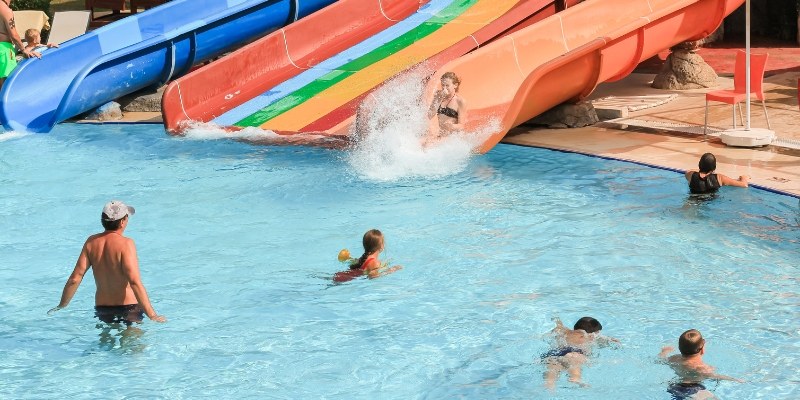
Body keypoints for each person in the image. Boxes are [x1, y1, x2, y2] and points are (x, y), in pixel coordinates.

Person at [49, 200, 166, 325]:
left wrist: (62, 305)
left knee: (105, 342)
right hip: (129, 307)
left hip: (103, 308)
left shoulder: (91, 242)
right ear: (122, 222)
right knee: (133, 342)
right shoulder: (126, 244)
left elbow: (75, 278)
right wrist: (152, 315)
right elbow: (134, 282)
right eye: (127, 218)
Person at [659, 329, 743, 399]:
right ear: (702, 349)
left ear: (679, 348)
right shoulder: (700, 367)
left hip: (674, 386)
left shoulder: (674, 358)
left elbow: (662, 360)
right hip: (693, 389)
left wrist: (664, 352)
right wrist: (735, 379)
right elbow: (715, 376)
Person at [542, 316, 618, 391]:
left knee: (552, 372)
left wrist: (556, 318)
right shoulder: (588, 335)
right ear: (594, 332)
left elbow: (558, 324)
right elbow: (603, 340)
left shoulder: (564, 331)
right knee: (575, 362)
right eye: (598, 332)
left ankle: (549, 385)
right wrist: (610, 340)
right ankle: (576, 378)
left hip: (553, 354)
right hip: (573, 354)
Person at [332, 229, 402, 283]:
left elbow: (356, 264)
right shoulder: (374, 262)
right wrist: (390, 270)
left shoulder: (363, 258)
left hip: (340, 276)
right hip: (344, 280)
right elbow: (373, 277)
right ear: (381, 246)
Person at [0, 0, 40, 87]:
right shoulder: (5, 10)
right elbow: (14, 35)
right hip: (4, 49)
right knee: (6, 83)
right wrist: (23, 49)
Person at [425, 71, 467, 144]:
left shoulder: (460, 101)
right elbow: (430, 115)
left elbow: (462, 126)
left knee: (429, 144)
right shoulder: (438, 95)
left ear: (455, 85)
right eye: (443, 85)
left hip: (452, 137)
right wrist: (440, 98)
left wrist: (452, 126)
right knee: (417, 142)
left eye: (447, 85)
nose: (444, 88)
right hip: (440, 135)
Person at [684, 153, 749, 194]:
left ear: (699, 165)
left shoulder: (690, 175)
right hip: (710, 203)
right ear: (714, 168)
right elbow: (744, 185)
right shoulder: (719, 178)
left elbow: (689, 170)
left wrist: (702, 169)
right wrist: (744, 178)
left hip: (692, 200)